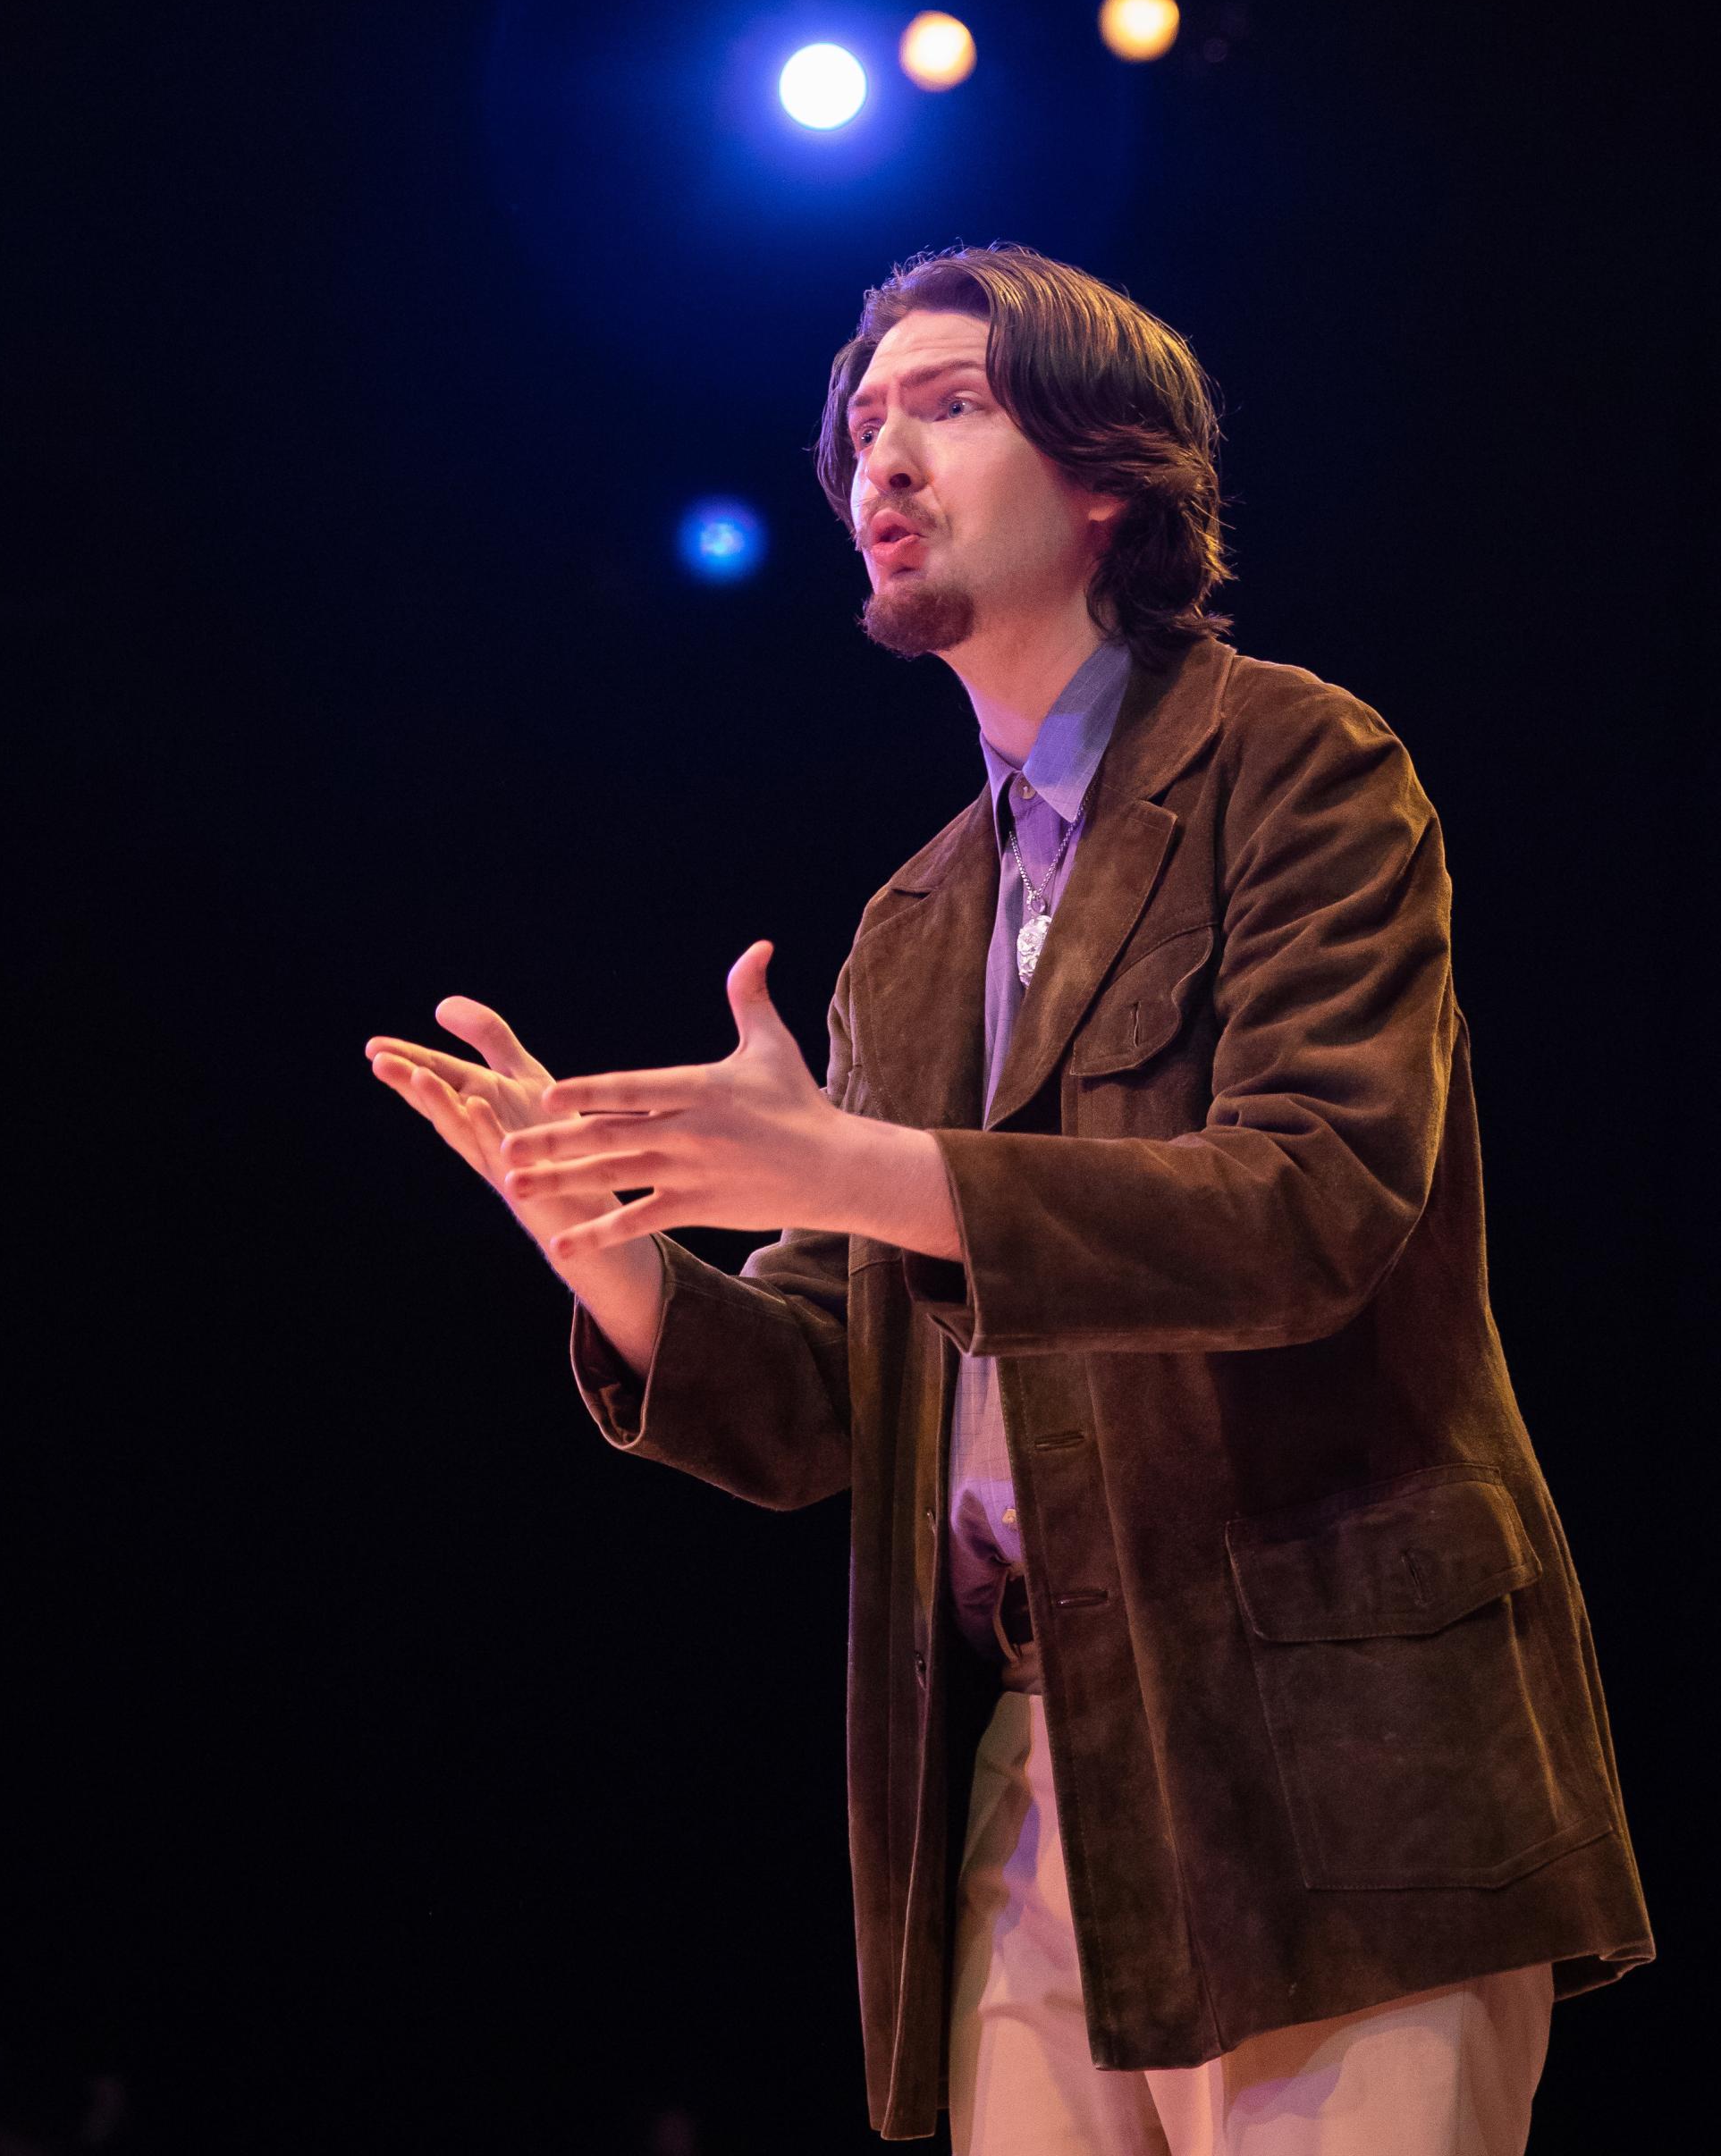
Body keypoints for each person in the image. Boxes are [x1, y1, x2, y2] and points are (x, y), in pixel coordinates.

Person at [367, 246, 1652, 2154]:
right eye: (863, 423)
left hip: (1332, 1756)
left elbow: (1310, 1209)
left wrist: (856, 1168)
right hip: (1033, 1768)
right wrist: (622, 1260)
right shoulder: (910, 927)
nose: (880, 454)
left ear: (1108, 472)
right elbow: (821, 1399)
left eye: (947, 404)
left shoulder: (1296, 768)